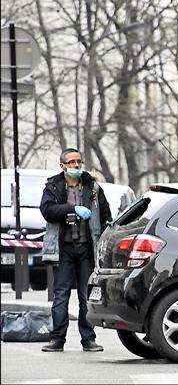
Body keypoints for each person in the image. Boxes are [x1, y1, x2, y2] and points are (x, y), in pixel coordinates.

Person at [39, 148, 112, 352]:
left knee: (85, 296)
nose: (76, 166)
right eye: (71, 162)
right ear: (62, 166)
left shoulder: (92, 186)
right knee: (61, 295)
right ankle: (57, 340)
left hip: (86, 249)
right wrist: (72, 210)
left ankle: (88, 339)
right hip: (63, 249)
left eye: (78, 161)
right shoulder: (53, 186)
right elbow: (47, 210)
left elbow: (106, 214)